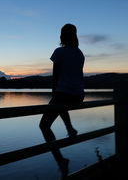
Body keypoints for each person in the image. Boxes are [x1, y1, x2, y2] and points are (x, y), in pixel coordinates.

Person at [39, 23, 85, 177]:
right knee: (61, 101)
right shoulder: (80, 53)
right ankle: (70, 128)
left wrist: (53, 96)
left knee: (44, 125)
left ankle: (61, 160)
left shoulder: (59, 52)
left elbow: (56, 78)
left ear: (62, 36)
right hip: (79, 95)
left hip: (64, 94)